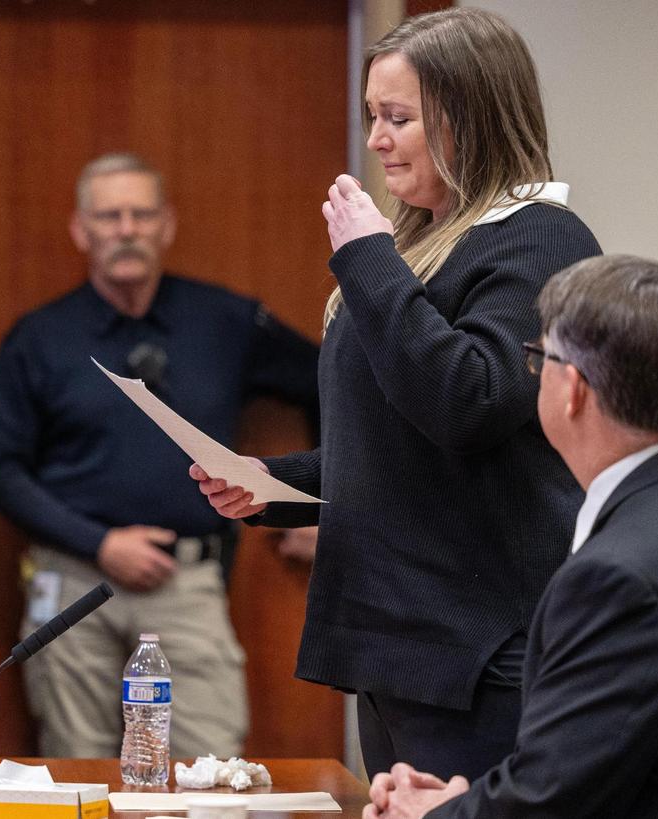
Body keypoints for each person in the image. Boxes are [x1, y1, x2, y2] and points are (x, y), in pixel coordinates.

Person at [193, 8, 600, 780]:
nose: (376, 140)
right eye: (371, 117)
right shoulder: (417, 244)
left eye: (398, 118)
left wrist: (369, 259)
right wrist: (269, 483)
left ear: (470, 118)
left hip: (483, 653)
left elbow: (468, 401)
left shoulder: (540, 238)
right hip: (399, 645)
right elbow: (392, 443)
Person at [364, 255, 658, 818]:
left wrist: (430, 816)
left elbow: (551, 802)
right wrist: (462, 804)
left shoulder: (619, 576)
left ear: (573, 389)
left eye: (538, 359)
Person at [0, 152, 319, 758]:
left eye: (141, 214)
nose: (127, 229)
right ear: (81, 230)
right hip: (74, 580)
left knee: (210, 766)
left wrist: (315, 504)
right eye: (109, 216)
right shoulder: (39, 338)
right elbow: (4, 474)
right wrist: (100, 544)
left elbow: (332, 380)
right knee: (77, 769)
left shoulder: (225, 321)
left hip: (186, 581)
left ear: (167, 225)